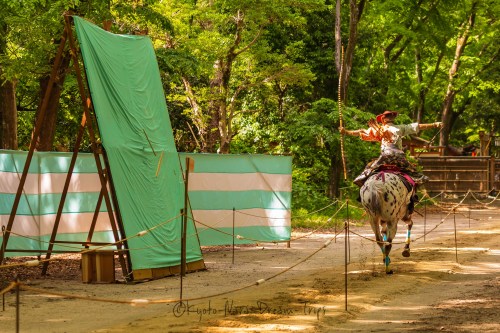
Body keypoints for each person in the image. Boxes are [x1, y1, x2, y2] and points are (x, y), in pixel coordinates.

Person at [339, 110, 442, 213]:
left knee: (368, 171)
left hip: (385, 157)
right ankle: (412, 198)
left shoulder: (379, 129)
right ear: (393, 119)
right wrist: (434, 124)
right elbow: (418, 126)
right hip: (399, 157)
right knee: (413, 173)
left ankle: (362, 193)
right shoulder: (400, 128)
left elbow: (360, 131)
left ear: (383, 120)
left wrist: (346, 132)